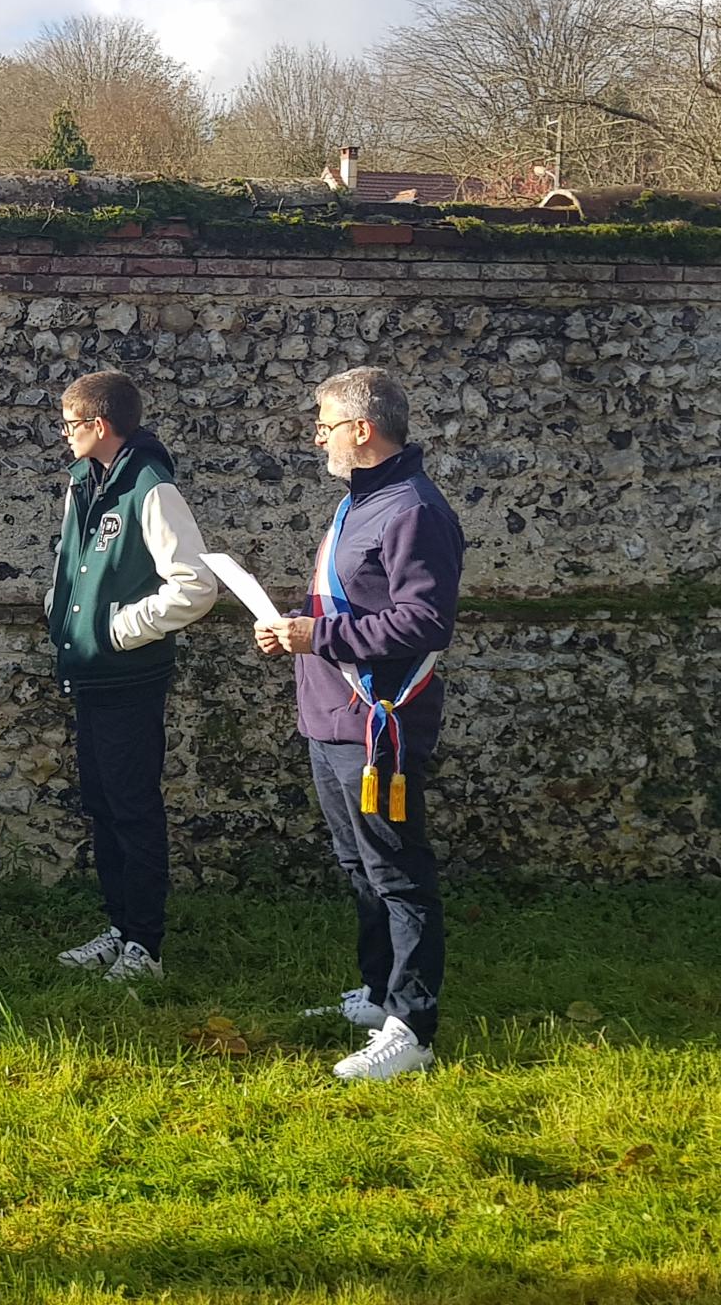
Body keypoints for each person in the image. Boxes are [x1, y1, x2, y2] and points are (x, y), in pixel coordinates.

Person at [255, 367, 464, 1081]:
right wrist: (294, 628)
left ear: (362, 429)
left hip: (380, 724)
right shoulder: (361, 502)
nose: (317, 436)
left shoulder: (412, 509)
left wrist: (317, 638)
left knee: (399, 875)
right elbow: (356, 604)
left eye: (325, 423)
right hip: (330, 717)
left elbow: (426, 620)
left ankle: (413, 1029)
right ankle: (379, 996)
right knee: (361, 868)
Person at [47, 370, 216, 983]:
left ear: (99, 426)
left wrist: (121, 629)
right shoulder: (82, 483)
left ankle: (145, 945)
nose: (64, 435)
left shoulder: (151, 487)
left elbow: (197, 587)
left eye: (70, 424)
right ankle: (119, 928)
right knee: (103, 805)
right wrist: (58, 610)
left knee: (134, 808)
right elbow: (71, 567)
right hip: (89, 674)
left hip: (129, 676)